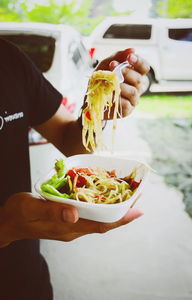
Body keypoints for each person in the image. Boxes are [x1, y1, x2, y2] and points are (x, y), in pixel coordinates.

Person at [0, 37, 150, 300]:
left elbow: (71, 140)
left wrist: (98, 105)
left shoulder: (8, 58)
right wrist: (5, 227)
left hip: (25, 276)